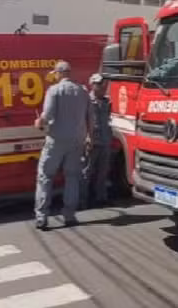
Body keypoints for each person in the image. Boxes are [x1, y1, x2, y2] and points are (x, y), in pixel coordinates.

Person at [33, 60, 91, 231]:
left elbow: (48, 114)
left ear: (59, 73)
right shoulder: (82, 91)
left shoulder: (54, 90)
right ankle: (69, 215)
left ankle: (42, 217)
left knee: (45, 177)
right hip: (77, 141)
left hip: (56, 140)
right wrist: (90, 138)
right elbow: (90, 117)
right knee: (72, 177)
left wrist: (39, 122)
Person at [81, 73, 113, 209]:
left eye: (103, 84)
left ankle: (101, 198)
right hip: (92, 141)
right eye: (99, 84)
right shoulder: (86, 101)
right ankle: (82, 201)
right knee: (86, 172)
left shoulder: (107, 101)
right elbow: (82, 121)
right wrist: (87, 137)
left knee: (103, 171)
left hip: (105, 141)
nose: (102, 87)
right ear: (92, 85)